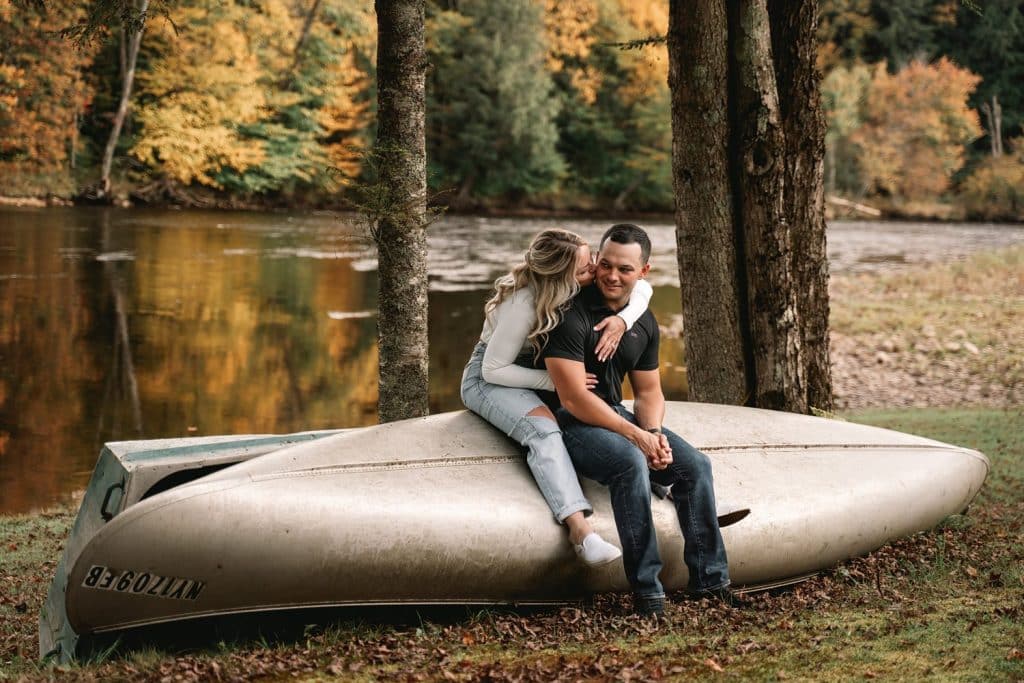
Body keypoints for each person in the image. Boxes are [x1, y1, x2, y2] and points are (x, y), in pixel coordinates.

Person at [542, 223, 747, 616]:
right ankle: (648, 592)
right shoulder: (570, 312)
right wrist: (638, 439)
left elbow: (650, 392)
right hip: (567, 420)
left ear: (644, 272)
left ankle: (711, 581)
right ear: (597, 261)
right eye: (606, 265)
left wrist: (653, 432)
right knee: (629, 462)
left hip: (615, 414)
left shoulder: (643, 322)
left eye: (625, 269)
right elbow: (572, 397)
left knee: (695, 467)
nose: (612, 276)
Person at [460, 228, 654, 567]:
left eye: (591, 261)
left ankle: (672, 483)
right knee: (545, 430)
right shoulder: (524, 301)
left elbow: (645, 287)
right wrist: (555, 382)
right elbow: (493, 369)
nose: (596, 272)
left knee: (602, 409)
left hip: (535, 374)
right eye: (585, 269)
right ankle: (581, 532)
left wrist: (622, 321)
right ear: (560, 277)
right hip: (491, 380)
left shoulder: (579, 284)